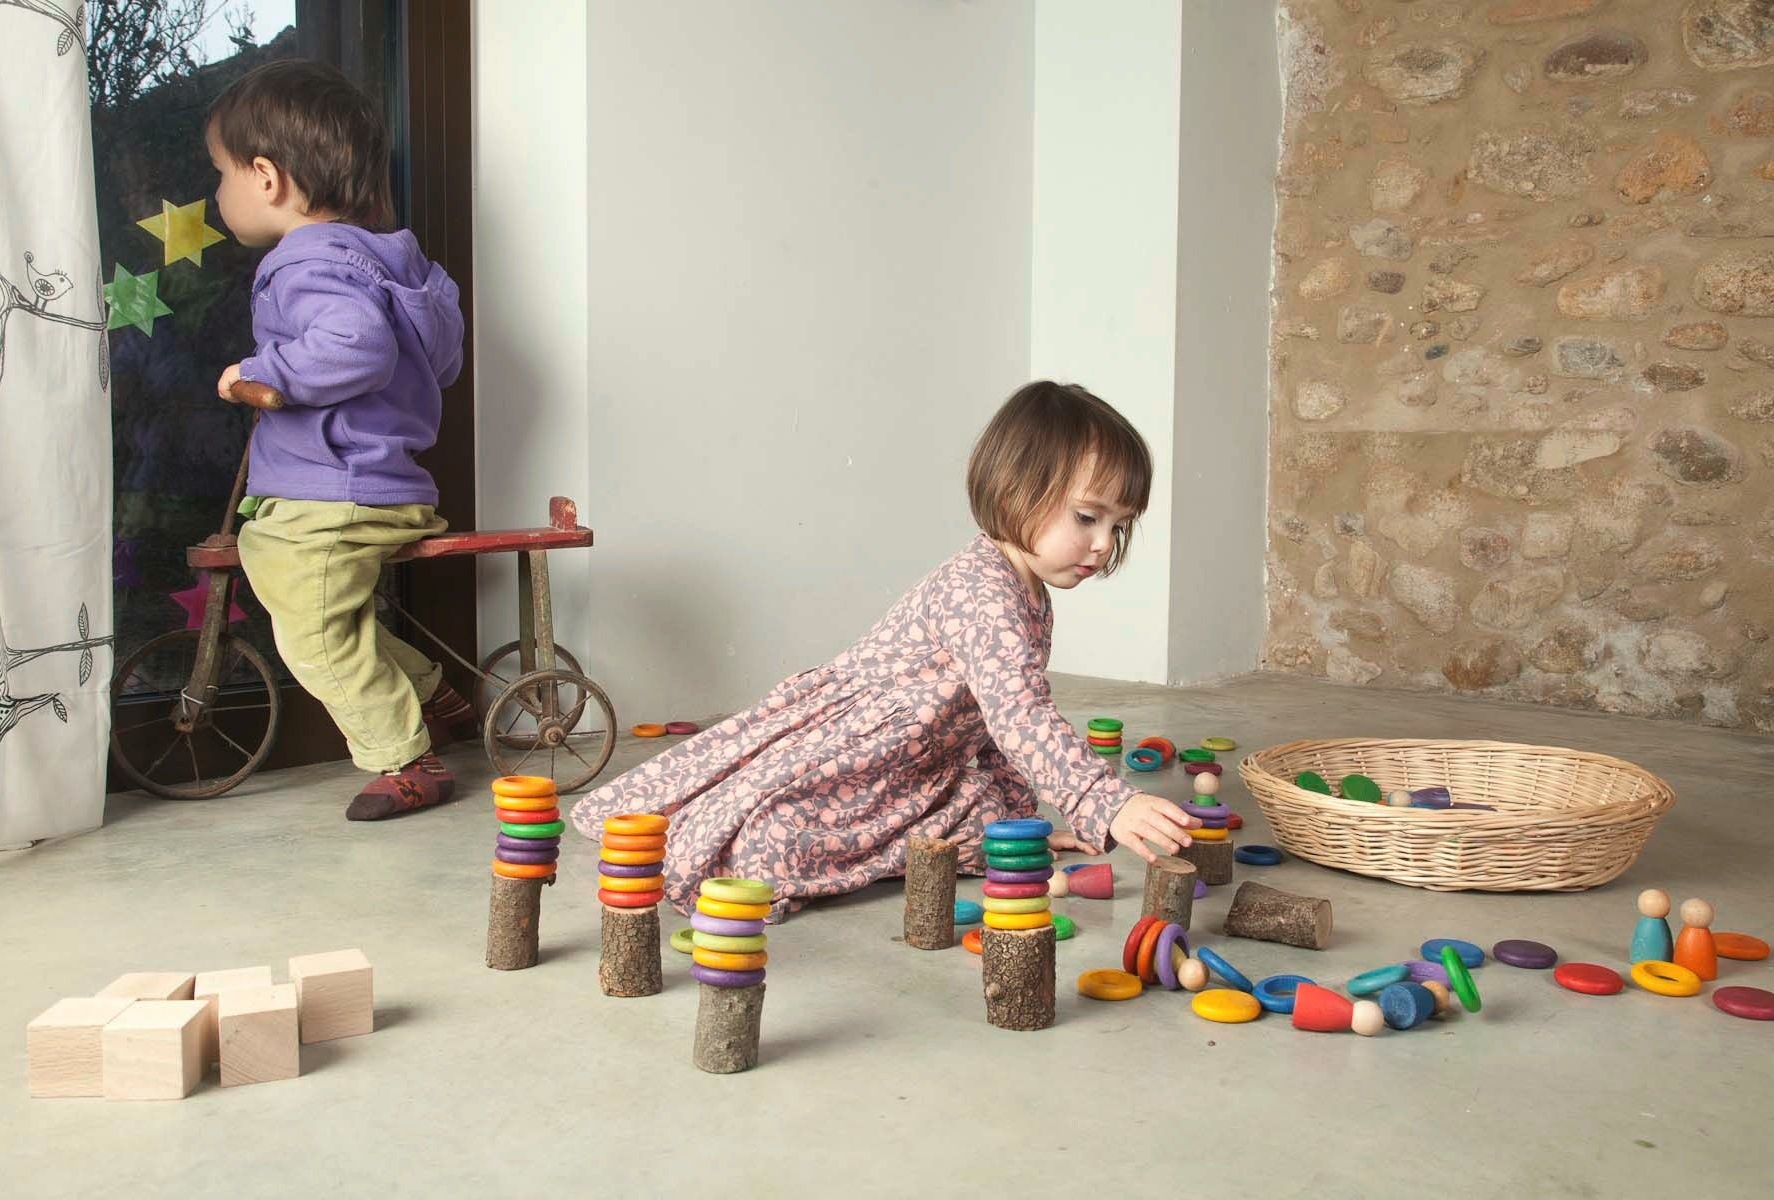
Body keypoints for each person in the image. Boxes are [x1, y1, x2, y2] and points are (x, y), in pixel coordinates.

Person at [571, 381, 1199, 920]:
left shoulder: (1030, 588)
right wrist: (1102, 799)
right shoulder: (984, 592)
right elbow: (1019, 718)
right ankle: (726, 837)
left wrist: (1019, 828)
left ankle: (959, 830)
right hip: (860, 747)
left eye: (1119, 526)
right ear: (1014, 496)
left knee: (982, 810)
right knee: (764, 841)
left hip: (920, 755)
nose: (1101, 544)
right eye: (1087, 517)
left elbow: (991, 726)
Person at [206, 59, 475, 820]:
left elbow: (357, 346)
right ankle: (430, 689)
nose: (218, 192)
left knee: (312, 627)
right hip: (387, 483)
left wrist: (262, 374)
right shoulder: (398, 264)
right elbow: (442, 359)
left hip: (331, 490)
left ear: (267, 177)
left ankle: (405, 757)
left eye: (220, 173)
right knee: (326, 612)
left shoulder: (304, 259)